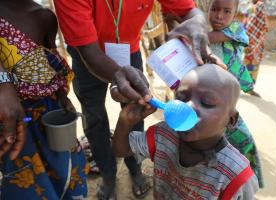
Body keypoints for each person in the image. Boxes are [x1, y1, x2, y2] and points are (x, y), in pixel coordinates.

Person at [53, 0, 224, 199]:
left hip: (128, 51)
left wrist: (198, 20)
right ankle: (108, 176)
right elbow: (88, 51)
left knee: (136, 113)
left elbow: (189, 10)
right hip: (87, 55)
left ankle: (135, 169)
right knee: (94, 119)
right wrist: (117, 73)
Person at [112, 64, 259, 199]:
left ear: (231, 120)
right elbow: (121, 150)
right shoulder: (164, 134)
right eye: (182, 98)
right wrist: (125, 121)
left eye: (206, 102)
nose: (188, 106)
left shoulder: (236, 177)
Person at [0, 0, 88, 199]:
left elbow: (52, 63)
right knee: (27, 182)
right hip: (11, 123)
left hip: (50, 114)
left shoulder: (44, 17)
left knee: (65, 171)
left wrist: (63, 97)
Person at [207, 0, 264, 188]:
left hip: (228, 96)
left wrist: (187, 31)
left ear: (235, 13)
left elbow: (211, 37)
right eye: (214, 9)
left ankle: (249, 178)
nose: (219, 15)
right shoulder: (202, 29)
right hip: (209, 97)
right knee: (210, 136)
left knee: (243, 139)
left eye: (226, 11)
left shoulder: (237, 29)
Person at [243, 0, 268, 97]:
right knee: (252, 64)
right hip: (254, 40)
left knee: (247, 63)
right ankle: (249, 88)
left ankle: (246, 87)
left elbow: (247, 23)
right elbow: (263, 24)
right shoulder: (257, 5)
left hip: (249, 39)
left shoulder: (252, 6)